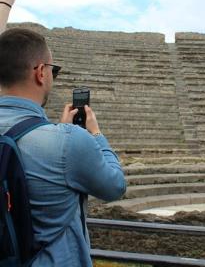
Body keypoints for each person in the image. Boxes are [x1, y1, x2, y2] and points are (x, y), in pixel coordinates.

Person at [0, 27, 127, 266]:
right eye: (52, 70)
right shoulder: (69, 141)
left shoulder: (61, 140)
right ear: (40, 73)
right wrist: (95, 135)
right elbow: (115, 186)